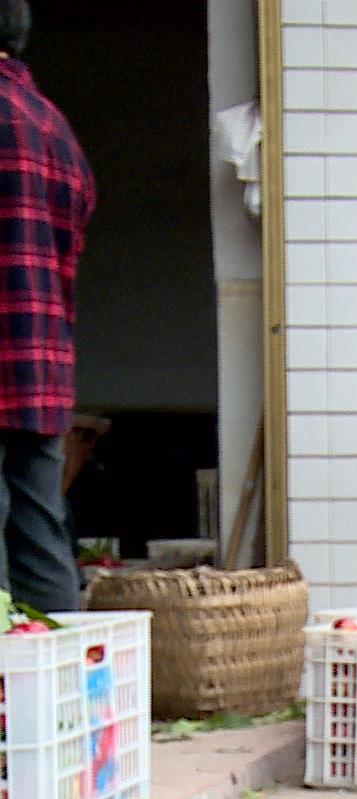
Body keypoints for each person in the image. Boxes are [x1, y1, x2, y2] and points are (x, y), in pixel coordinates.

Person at [0, 0, 92, 614]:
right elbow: (73, 236)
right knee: (41, 537)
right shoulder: (54, 127)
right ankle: (55, 695)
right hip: (38, 365)